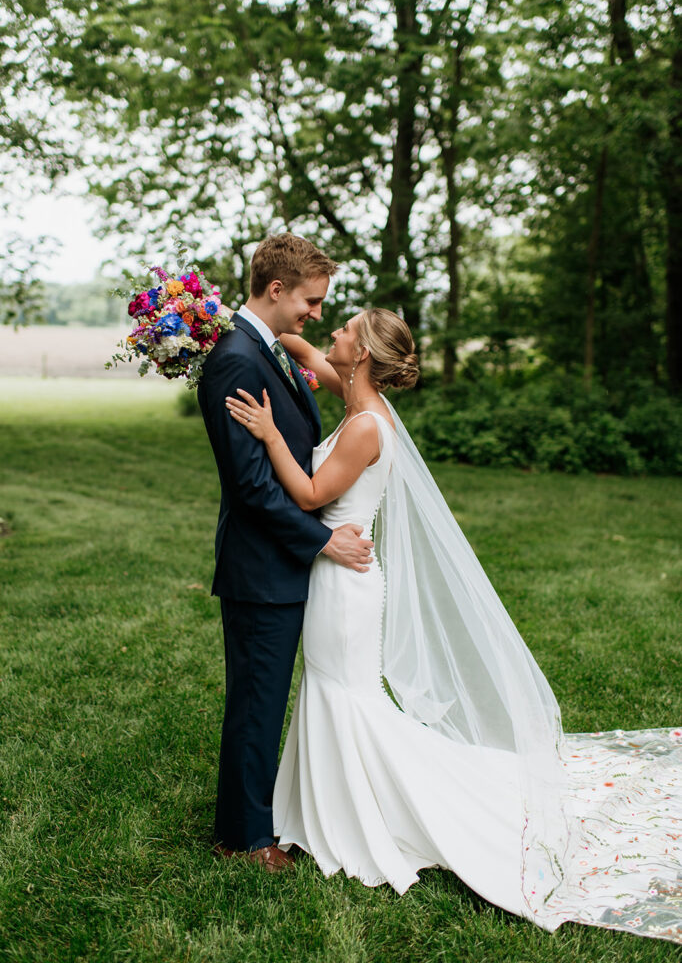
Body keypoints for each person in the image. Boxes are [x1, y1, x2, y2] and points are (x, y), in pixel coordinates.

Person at [226, 307, 682, 945]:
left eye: (344, 330)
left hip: (344, 580)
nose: (332, 332)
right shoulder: (361, 396)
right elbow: (303, 348)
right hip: (339, 574)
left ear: (359, 356)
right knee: (334, 690)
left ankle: (360, 815)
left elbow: (306, 495)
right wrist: (236, 320)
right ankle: (319, 808)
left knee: (344, 695)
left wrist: (272, 432)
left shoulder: (364, 427)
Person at [197, 233, 374, 874]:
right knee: (257, 701)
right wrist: (323, 539)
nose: (317, 315)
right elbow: (250, 490)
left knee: (265, 698)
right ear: (277, 290)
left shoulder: (262, 347)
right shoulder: (236, 361)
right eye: (311, 301)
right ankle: (242, 839)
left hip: (279, 564)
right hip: (259, 566)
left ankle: (259, 818)